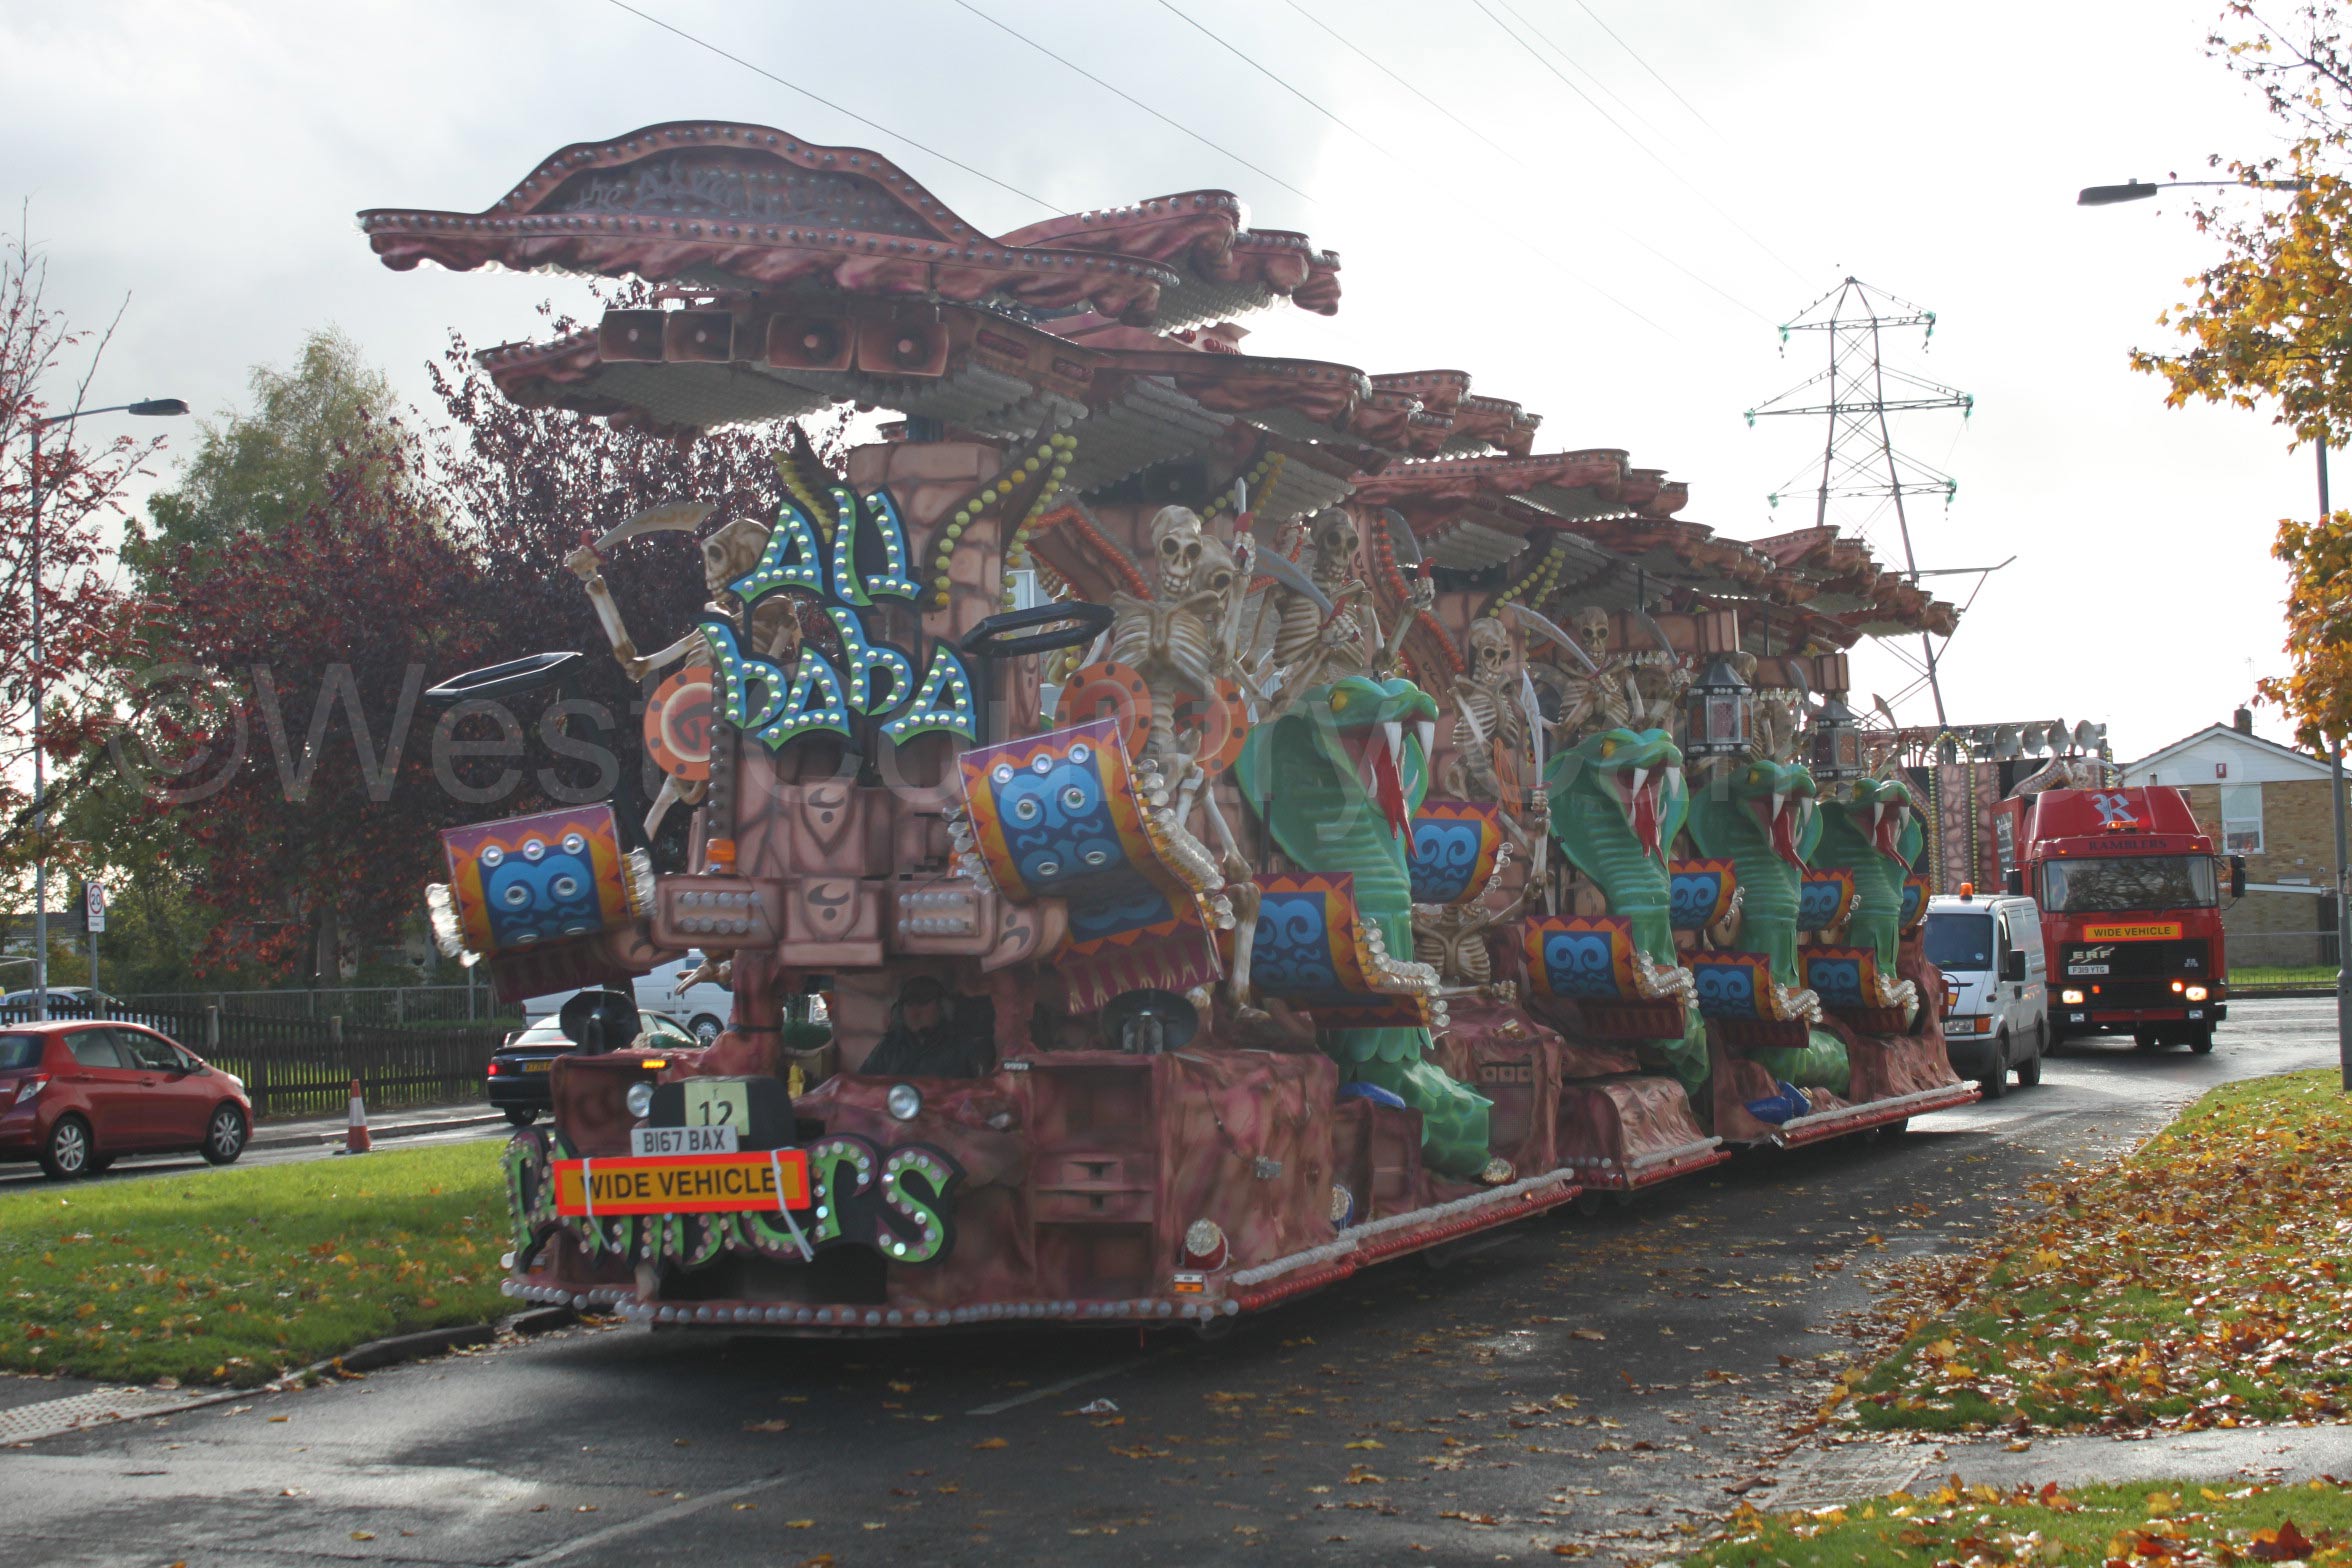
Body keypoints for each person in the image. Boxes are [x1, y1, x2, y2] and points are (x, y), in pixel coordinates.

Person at [860, 976, 996, 1077]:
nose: (915, 1012)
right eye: (909, 1004)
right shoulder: (889, 1046)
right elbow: (865, 1084)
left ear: (942, 1008)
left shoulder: (963, 1046)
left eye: (923, 1003)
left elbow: (980, 1090)